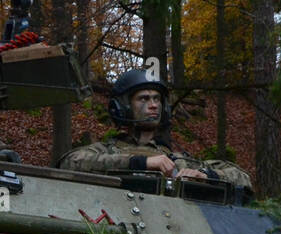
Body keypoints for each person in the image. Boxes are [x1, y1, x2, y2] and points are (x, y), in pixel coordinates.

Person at [59, 68, 252, 196]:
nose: (153, 106)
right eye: (143, 99)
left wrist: (205, 175)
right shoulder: (106, 151)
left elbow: (242, 177)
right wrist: (140, 162)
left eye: (157, 99)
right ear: (123, 107)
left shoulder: (177, 160)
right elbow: (69, 163)